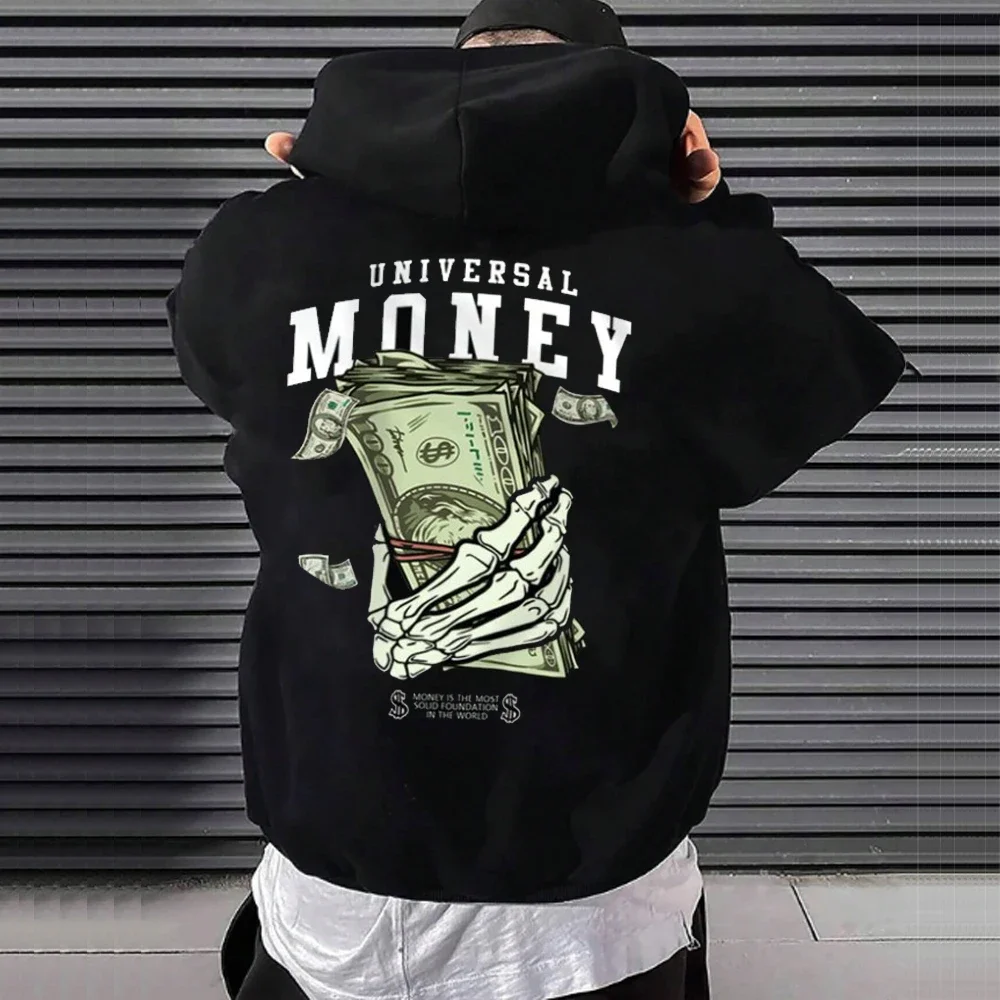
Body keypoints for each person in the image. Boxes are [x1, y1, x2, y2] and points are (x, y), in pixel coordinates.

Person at [166, 1, 905, 998]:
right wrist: (708, 209)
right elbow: (817, 368)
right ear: (616, 91)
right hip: (592, 882)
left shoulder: (257, 248)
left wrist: (317, 201)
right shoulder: (695, 266)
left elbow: (219, 363)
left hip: (340, 855)